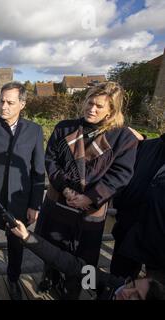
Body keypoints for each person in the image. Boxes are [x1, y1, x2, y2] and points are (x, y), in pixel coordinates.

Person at [35, 82, 138, 299]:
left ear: (112, 110)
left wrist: (89, 198)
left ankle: (80, 291)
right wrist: (65, 189)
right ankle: (49, 278)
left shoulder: (123, 137)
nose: (92, 109)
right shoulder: (65, 127)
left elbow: (120, 175)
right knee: (50, 249)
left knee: (85, 259)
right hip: (59, 201)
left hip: (90, 210)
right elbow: (51, 160)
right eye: (89, 102)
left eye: (99, 106)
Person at [0, 81, 45, 299]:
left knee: (16, 245)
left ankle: (13, 279)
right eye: (1, 101)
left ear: (22, 104)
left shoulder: (35, 130)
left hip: (19, 201)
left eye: (10, 102)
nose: (4, 106)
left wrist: (34, 204)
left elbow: (38, 170)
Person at [10, 219, 165, 300]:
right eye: (131, 284)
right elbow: (72, 267)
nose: (126, 291)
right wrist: (28, 237)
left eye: (136, 296)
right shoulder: (112, 285)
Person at [111, 132, 165, 282]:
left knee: (154, 290)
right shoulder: (146, 147)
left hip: (159, 247)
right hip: (128, 232)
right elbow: (123, 177)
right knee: (118, 282)